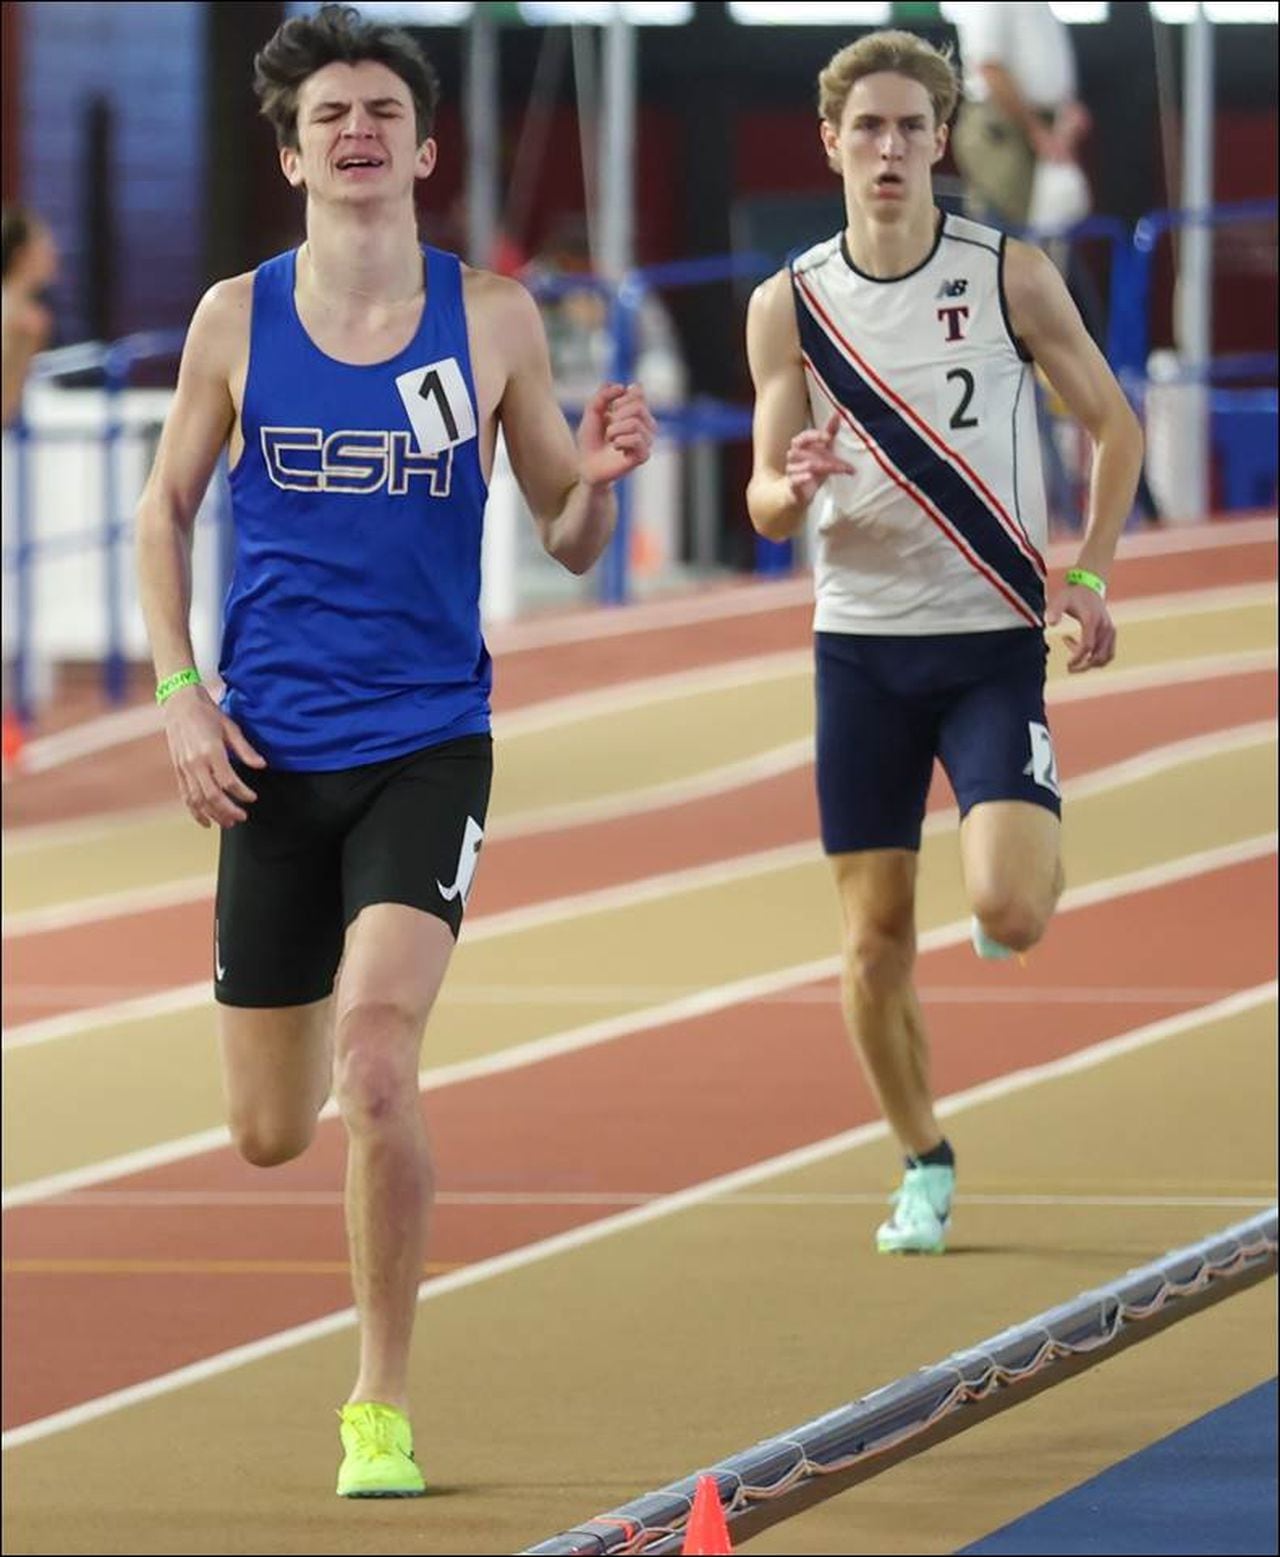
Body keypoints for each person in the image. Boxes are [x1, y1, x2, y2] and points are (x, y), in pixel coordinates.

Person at [134, 3, 654, 1498]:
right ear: (291, 154)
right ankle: (311, 1086)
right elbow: (162, 510)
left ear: (424, 147)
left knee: (376, 1065)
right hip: (268, 757)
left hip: (429, 741)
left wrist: (601, 485)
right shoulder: (236, 316)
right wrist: (180, 689)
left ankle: (379, 1403)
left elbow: (561, 526)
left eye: (380, 113)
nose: (356, 133)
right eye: (328, 117)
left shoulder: (487, 317)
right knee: (263, 1131)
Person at [744, 31, 1142, 1257]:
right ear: (830, 142)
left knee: (1011, 913)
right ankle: (921, 1157)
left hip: (985, 641)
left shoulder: (1008, 273)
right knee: (869, 945)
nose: (887, 149)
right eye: (865, 128)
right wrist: (790, 480)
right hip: (857, 650)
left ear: (941, 138)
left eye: (910, 127)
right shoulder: (789, 305)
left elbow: (1113, 429)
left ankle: (998, 879)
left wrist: (1085, 572)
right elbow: (759, 497)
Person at [949, 2, 1091, 233]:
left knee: (1048, 236)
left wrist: (1066, 111)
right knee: (1007, 232)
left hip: (1045, 128)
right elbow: (989, 68)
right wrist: (1036, 131)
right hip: (1003, 129)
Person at [1, 205, 59, 426]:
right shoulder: (19, 321)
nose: (52, 253)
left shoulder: (32, 316)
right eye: (43, 245)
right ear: (20, 256)